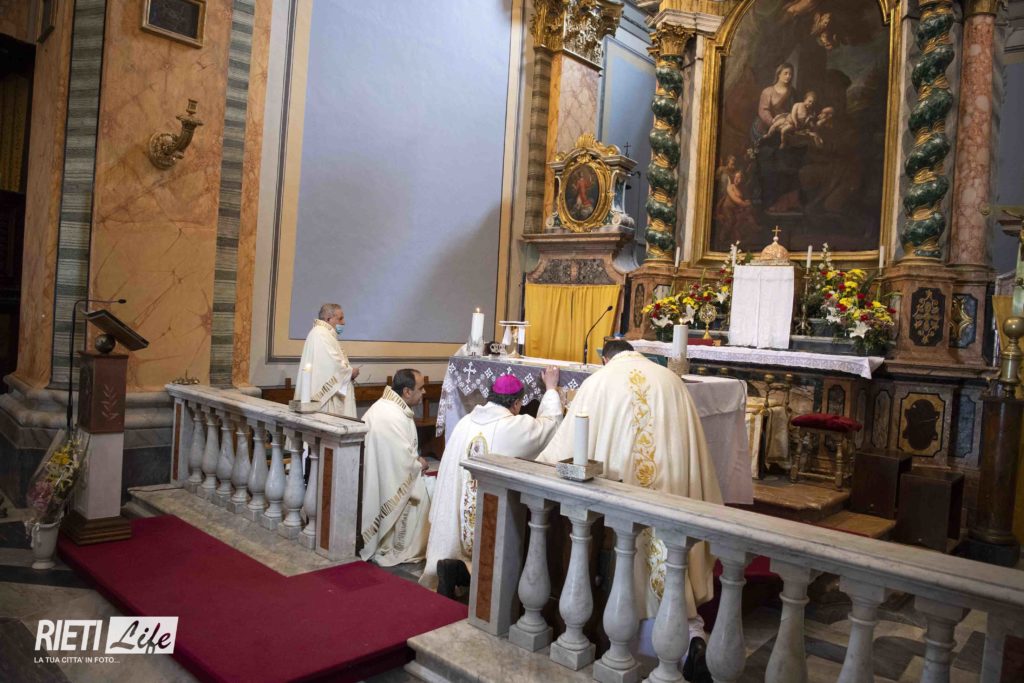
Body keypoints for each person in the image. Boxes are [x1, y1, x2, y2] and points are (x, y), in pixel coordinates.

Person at [537, 340, 723, 680]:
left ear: (605, 358)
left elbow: (562, 451)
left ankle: (646, 650)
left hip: (623, 500)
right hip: (673, 491)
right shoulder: (670, 380)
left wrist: (538, 464)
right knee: (671, 560)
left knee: (630, 567)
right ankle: (689, 641)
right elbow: (697, 450)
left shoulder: (598, 382)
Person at [421, 367, 563, 595]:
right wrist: (551, 390)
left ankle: (454, 567)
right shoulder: (512, 426)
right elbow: (549, 426)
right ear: (516, 403)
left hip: (460, 509)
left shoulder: (465, 422)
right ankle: (466, 575)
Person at [358, 369, 432, 567]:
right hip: (385, 478)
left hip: (380, 473)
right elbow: (402, 463)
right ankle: (396, 544)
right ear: (407, 391)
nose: (424, 392)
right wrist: (418, 464)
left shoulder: (389, 407)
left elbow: (399, 452)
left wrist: (414, 459)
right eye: (421, 388)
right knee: (428, 494)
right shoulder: (391, 416)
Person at [295, 303, 359, 418]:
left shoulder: (323, 333)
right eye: (340, 318)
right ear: (328, 319)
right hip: (327, 397)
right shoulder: (321, 333)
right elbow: (332, 365)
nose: (343, 322)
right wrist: (350, 372)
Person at [753, 62, 796, 143]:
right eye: (785, 73)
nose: (788, 76)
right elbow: (763, 111)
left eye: (790, 74)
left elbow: (794, 110)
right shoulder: (767, 91)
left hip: (784, 126)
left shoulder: (792, 92)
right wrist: (773, 123)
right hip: (765, 127)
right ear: (779, 74)